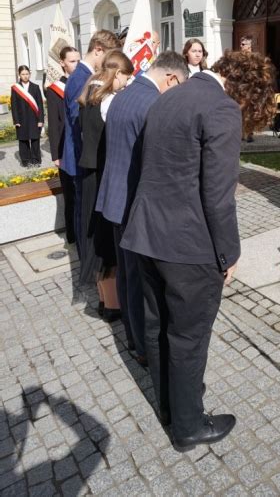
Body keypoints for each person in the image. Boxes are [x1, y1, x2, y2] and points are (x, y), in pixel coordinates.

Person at [121, 51, 276, 450]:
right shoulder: (222, 109)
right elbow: (218, 197)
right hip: (189, 249)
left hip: (146, 236)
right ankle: (189, 427)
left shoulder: (169, 94)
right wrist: (230, 254)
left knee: (158, 329)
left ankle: (171, 408)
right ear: (247, 95)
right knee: (188, 338)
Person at [96, 52, 189, 365]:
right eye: (178, 90)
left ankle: (134, 337)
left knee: (126, 275)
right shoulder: (153, 103)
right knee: (140, 281)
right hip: (134, 203)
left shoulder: (123, 95)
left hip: (114, 200)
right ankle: (143, 348)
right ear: (171, 78)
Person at [78, 50, 134, 321]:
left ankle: (103, 300)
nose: (127, 83)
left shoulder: (90, 91)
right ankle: (113, 305)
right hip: (103, 176)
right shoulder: (109, 100)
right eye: (126, 77)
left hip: (90, 174)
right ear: (118, 73)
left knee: (96, 240)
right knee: (106, 243)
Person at [61, 30, 121, 253]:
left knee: (81, 208)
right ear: (98, 50)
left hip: (80, 154)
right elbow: (82, 122)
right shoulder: (81, 78)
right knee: (82, 210)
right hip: (80, 155)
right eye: (107, 57)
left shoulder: (81, 75)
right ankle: (84, 257)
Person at [46, 46, 80, 243]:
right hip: (65, 150)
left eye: (78, 60)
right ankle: (72, 236)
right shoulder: (55, 89)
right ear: (62, 63)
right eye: (72, 61)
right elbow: (55, 124)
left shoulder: (84, 82)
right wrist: (56, 155)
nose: (76, 64)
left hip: (81, 147)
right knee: (70, 194)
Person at [11, 65, 45, 167]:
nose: (25, 76)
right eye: (23, 74)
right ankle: (26, 161)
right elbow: (14, 105)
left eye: (27, 74)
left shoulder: (35, 87)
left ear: (29, 74)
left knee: (35, 140)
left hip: (34, 119)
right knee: (23, 141)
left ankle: (36, 160)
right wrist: (16, 120)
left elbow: (40, 105)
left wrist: (41, 120)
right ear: (19, 75)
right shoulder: (15, 88)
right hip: (21, 119)